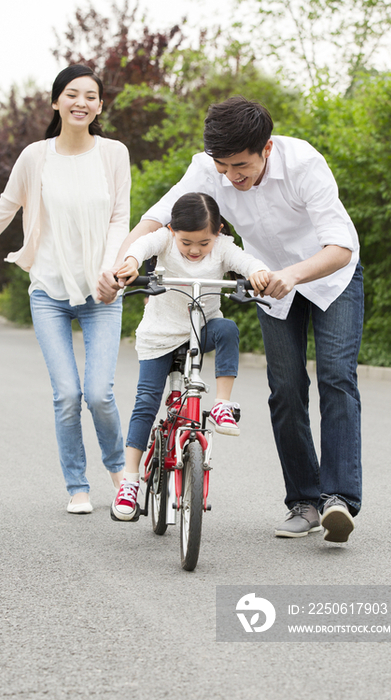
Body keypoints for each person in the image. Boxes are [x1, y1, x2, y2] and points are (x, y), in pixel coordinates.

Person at [99, 96, 363, 543]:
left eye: (240, 165)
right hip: (268, 284)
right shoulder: (207, 168)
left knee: (336, 378)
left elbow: (341, 247)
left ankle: (339, 498)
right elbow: (155, 221)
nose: (231, 176)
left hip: (327, 277)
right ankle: (304, 502)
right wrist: (118, 262)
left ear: (267, 148)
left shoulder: (303, 164)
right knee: (285, 389)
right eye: (222, 166)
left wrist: (291, 275)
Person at [0, 64, 131, 514]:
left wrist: (111, 269)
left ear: (100, 105)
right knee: (67, 394)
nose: (81, 103)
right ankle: (77, 487)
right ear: (56, 102)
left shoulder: (114, 154)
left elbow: (120, 219)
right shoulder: (35, 157)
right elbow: (2, 212)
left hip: (101, 292)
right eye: (72, 94)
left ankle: (119, 472)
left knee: (99, 394)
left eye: (90, 96)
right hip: (49, 291)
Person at [110, 192, 269, 521]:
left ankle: (223, 404)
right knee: (147, 401)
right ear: (172, 231)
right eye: (186, 243)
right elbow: (141, 246)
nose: (195, 250)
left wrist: (258, 273)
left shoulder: (223, 247)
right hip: (161, 335)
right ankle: (129, 480)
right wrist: (130, 262)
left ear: (219, 232)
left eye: (204, 243)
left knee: (227, 327)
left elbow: (247, 261)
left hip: (202, 330)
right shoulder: (164, 241)